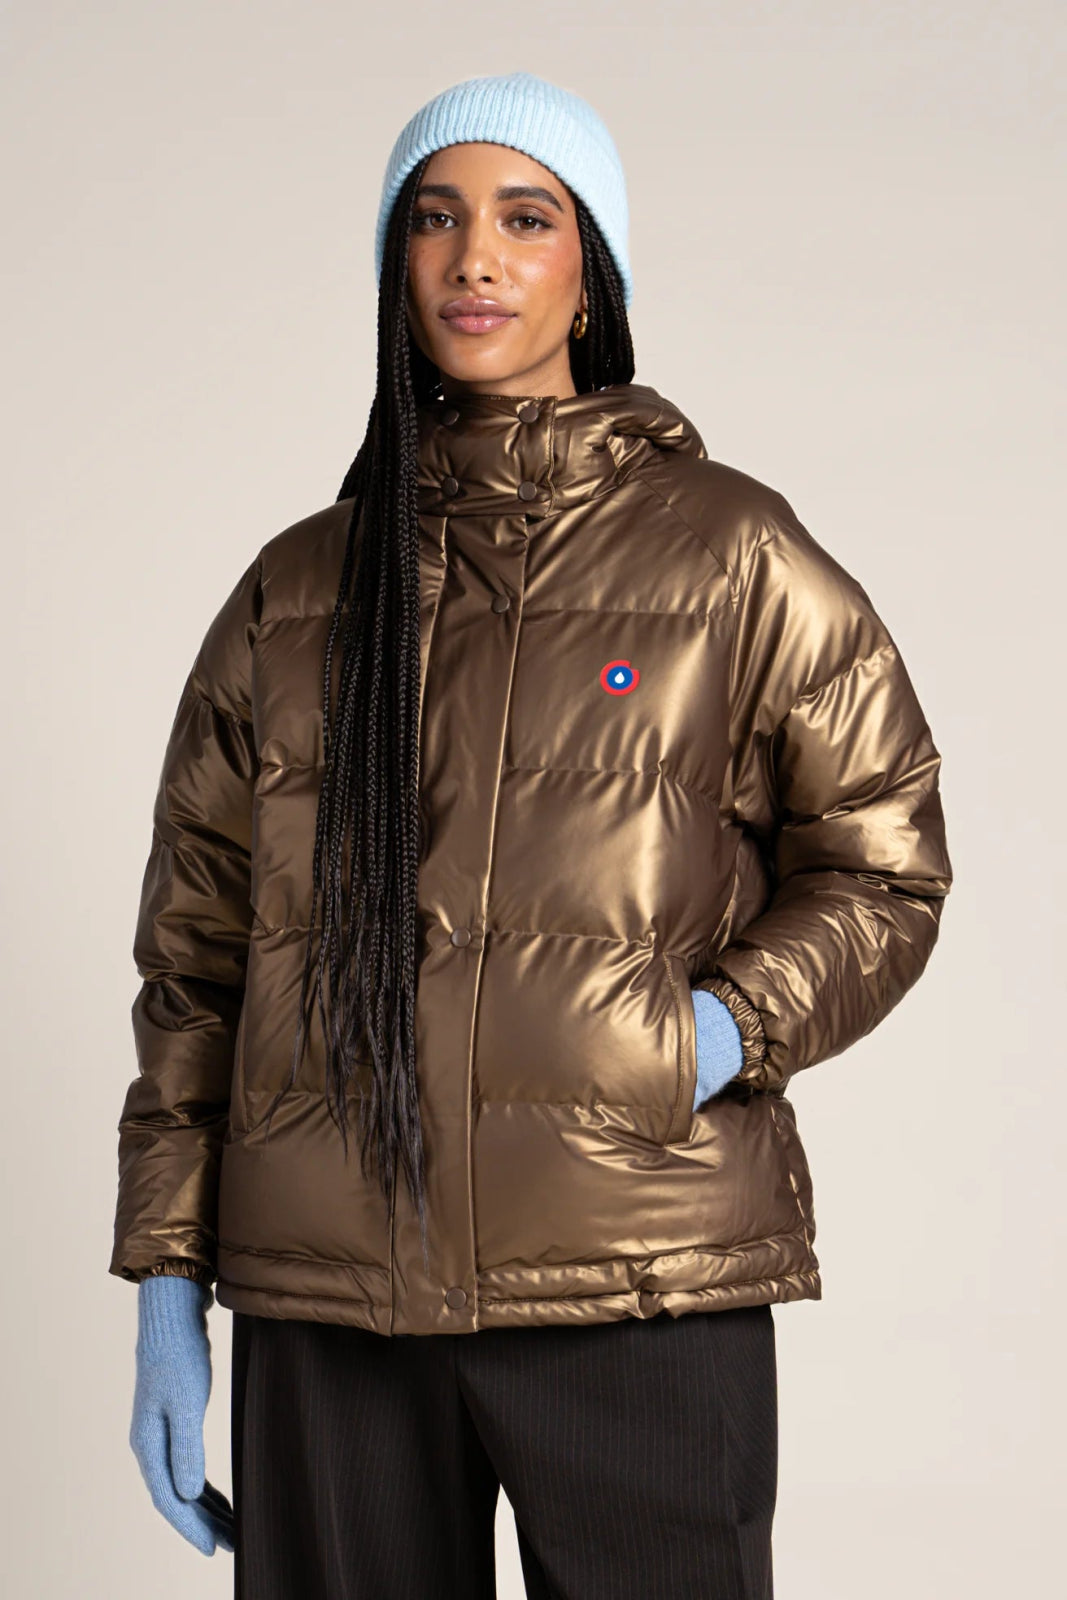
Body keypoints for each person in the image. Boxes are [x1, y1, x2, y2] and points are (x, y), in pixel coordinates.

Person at [110, 70, 953, 1599]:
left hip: (634, 1275)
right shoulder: (297, 593)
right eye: (434, 220)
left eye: (525, 218)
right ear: (395, 263)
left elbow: (883, 862)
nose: (475, 260)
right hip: (330, 1296)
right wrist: (169, 1279)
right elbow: (199, 961)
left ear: (591, 266)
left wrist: (704, 1037)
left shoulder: (730, 552)